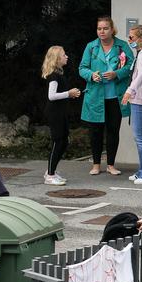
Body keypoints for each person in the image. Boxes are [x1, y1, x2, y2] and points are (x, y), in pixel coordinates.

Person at [78, 16, 133, 176]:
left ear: (112, 29)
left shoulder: (122, 46)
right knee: (95, 132)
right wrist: (91, 75)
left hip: (116, 97)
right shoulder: (91, 47)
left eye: (105, 28)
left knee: (113, 131)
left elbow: (131, 66)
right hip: (96, 96)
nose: (102, 31)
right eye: (99, 29)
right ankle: (96, 165)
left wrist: (117, 74)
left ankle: (111, 165)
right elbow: (82, 68)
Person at [41, 46, 81, 186]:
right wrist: (68, 93)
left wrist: (70, 94)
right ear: (57, 58)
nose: (67, 57)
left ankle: (51, 171)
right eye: (64, 55)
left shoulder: (59, 74)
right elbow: (51, 96)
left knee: (64, 141)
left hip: (60, 112)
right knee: (58, 142)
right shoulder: (53, 76)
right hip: (54, 113)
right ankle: (50, 175)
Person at [121, 25, 142, 185]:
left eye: (132, 37)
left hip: (139, 99)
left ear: (141, 39)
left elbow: (141, 74)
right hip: (141, 98)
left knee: (139, 137)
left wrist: (129, 91)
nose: (129, 40)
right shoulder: (141, 54)